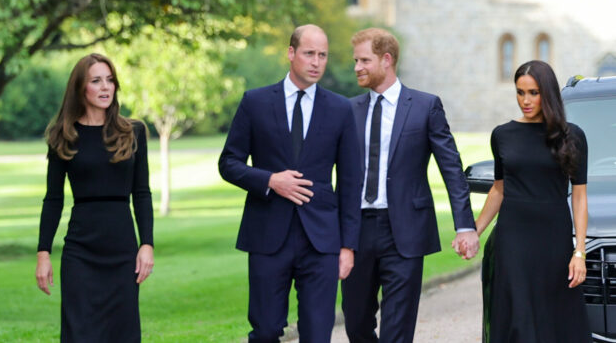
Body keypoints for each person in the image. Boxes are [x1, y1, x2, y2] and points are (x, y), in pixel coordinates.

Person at [218, 24, 362, 343]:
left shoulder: (340, 109)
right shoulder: (254, 102)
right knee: (266, 330)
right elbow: (228, 163)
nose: (316, 62)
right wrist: (269, 179)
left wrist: (348, 245)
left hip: (321, 241)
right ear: (291, 53)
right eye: (309, 53)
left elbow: (351, 183)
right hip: (268, 236)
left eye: (323, 55)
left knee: (317, 334)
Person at [341, 27, 479, 343]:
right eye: (355, 60)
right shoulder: (347, 110)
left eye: (363, 60)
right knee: (356, 322)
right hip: (356, 230)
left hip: (404, 229)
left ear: (386, 59)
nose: (356, 67)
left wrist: (464, 226)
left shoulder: (425, 106)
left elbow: (451, 168)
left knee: (397, 328)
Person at [35, 53, 154, 343]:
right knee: (79, 332)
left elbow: (141, 193)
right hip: (80, 251)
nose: (105, 87)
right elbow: (53, 200)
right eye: (96, 81)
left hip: (122, 249)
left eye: (110, 80)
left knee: (122, 333)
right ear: (80, 88)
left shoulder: (133, 132)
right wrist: (43, 254)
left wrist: (147, 243)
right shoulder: (63, 135)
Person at [475, 60, 591, 342]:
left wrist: (579, 252)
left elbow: (579, 196)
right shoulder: (502, 135)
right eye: (520, 92)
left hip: (554, 238)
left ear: (547, 93)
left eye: (533, 93)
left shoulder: (572, 136)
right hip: (512, 237)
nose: (525, 101)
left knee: (552, 317)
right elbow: (498, 190)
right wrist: (472, 231)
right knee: (517, 315)